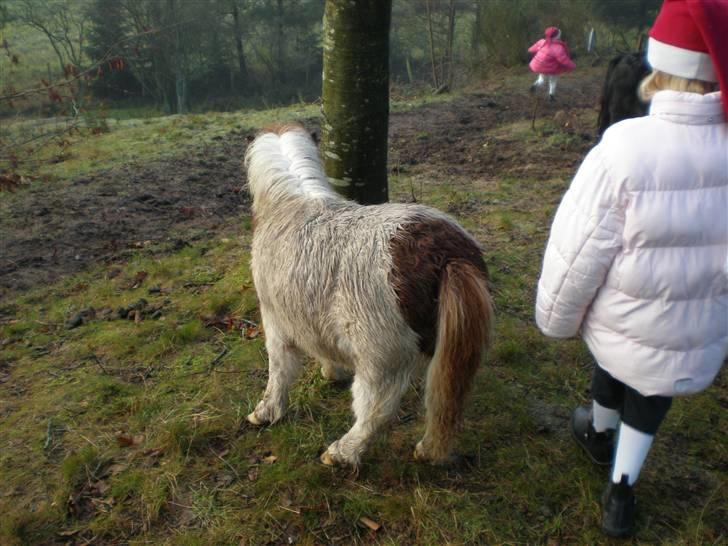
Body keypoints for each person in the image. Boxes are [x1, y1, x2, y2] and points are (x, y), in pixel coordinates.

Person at [535, 0, 727, 538]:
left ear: (659, 65)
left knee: (617, 360)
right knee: (652, 390)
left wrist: (555, 317)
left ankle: (598, 435)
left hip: (623, 314)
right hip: (691, 327)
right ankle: (622, 489)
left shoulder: (623, 147)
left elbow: (578, 246)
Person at [527, 26, 576, 100]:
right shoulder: (558, 48)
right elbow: (564, 60)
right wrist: (572, 65)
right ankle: (551, 96)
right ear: (558, 36)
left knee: (542, 80)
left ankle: (535, 85)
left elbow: (530, 50)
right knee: (553, 81)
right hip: (552, 68)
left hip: (541, 66)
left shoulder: (542, 42)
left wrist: (539, 49)